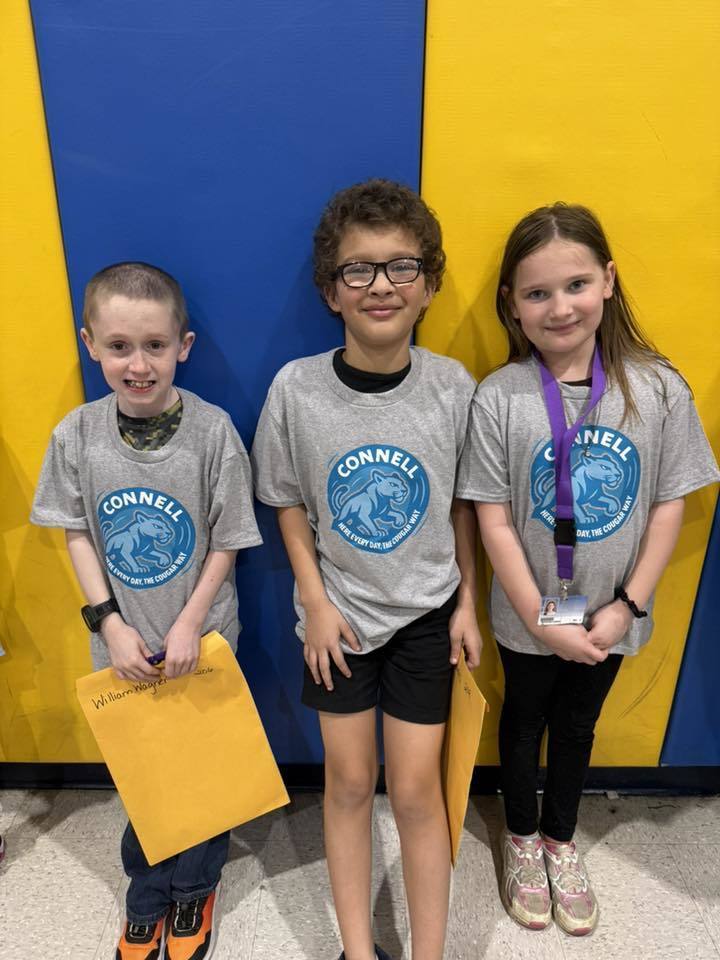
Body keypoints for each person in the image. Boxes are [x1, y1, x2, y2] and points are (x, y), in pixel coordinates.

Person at [457, 203, 719, 937]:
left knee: (579, 726)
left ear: (607, 281)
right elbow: (493, 520)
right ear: (512, 303)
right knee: (523, 720)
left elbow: (670, 504)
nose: (559, 306)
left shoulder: (656, 389)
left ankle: (560, 841)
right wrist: (545, 615)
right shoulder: (499, 398)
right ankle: (519, 836)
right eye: (537, 293)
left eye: (575, 284)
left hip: (611, 613)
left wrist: (627, 608)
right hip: (529, 612)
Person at [251, 179, 482, 960]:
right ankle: (357, 949)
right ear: (330, 291)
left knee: (417, 792)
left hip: (425, 615)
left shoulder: (454, 387)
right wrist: (312, 600)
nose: (380, 285)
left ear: (429, 285)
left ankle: (429, 952)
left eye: (400, 267)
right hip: (338, 618)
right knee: (348, 785)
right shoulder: (295, 389)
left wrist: (467, 604)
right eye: (358, 270)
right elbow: (285, 502)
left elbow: (462, 505)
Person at [31, 262, 262, 960]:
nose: (139, 363)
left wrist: (191, 621)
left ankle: (194, 888)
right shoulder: (76, 435)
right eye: (121, 346)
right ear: (90, 344)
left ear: (183, 346)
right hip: (122, 645)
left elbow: (228, 539)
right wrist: (108, 621)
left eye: (155, 345)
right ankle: (147, 893)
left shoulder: (215, 432)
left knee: (204, 775)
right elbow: (75, 531)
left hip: (205, 638)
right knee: (145, 777)